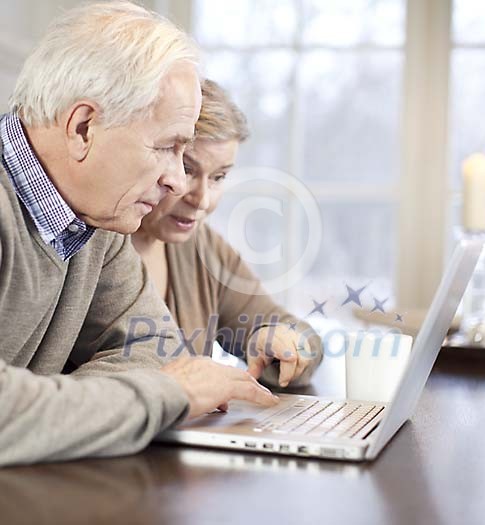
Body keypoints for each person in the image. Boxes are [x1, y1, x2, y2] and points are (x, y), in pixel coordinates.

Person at [0, 1, 277, 468]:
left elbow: (153, 348)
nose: (178, 181)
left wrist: (54, 414)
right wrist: (166, 394)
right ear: (83, 127)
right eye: (168, 148)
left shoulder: (96, 220)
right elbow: (166, 379)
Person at [132, 79, 323, 389]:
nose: (202, 199)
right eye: (188, 169)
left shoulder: (202, 247)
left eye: (219, 176)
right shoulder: (91, 247)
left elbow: (295, 331)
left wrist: (281, 343)